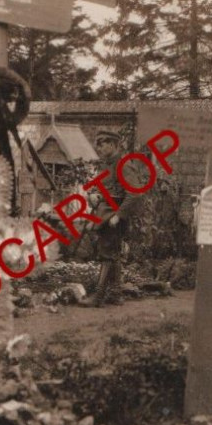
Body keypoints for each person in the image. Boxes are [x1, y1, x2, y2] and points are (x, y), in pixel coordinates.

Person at [83, 129, 133, 306]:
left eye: (102, 145)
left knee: (106, 254)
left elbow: (134, 194)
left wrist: (119, 216)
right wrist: (94, 195)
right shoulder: (107, 164)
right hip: (104, 214)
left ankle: (98, 297)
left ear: (113, 145)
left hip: (114, 217)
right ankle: (116, 294)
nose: (99, 149)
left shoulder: (123, 165)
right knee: (113, 254)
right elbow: (103, 188)